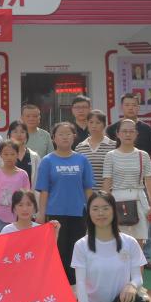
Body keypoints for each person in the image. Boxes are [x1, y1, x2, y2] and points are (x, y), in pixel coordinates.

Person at [72, 191, 147, 302]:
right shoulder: (81, 245)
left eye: (105, 208)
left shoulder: (129, 242)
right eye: (95, 209)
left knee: (136, 300)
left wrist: (132, 285)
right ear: (89, 213)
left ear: (114, 210)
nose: (101, 213)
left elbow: (138, 277)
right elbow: (80, 284)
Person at [35, 122, 95, 284]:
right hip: (55, 213)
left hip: (78, 212)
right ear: (54, 138)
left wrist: (92, 211)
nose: (65, 137)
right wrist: (41, 213)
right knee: (58, 250)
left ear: (74, 137)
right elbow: (44, 190)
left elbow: (88, 189)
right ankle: (59, 283)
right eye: (60, 134)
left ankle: (76, 284)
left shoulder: (82, 160)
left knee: (77, 249)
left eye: (68, 134)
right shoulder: (47, 161)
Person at [105, 93, 151, 270]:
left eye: (131, 132)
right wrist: (104, 204)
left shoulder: (143, 156)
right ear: (117, 134)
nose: (128, 134)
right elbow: (107, 183)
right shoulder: (110, 156)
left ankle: (137, 281)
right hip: (116, 198)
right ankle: (119, 280)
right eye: (124, 131)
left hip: (138, 198)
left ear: (137, 134)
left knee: (138, 246)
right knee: (117, 244)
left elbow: (149, 182)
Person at [0, 140, 31, 233]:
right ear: (1, 155)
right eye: (6, 154)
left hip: (18, 217)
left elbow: (27, 197)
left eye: (12, 154)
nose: (9, 157)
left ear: (17, 154)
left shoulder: (23, 175)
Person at [0, 120, 39, 187]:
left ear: (27, 135)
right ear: (9, 135)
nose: (19, 135)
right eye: (15, 132)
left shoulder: (34, 157)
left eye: (22, 132)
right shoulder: (0, 159)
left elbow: (37, 181)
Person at [76, 110, 118, 181]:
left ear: (104, 125)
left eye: (98, 123)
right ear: (87, 124)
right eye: (91, 122)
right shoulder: (80, 147)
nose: (94, 126)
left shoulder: (114, 146)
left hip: (108, 187)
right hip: (86, 188)